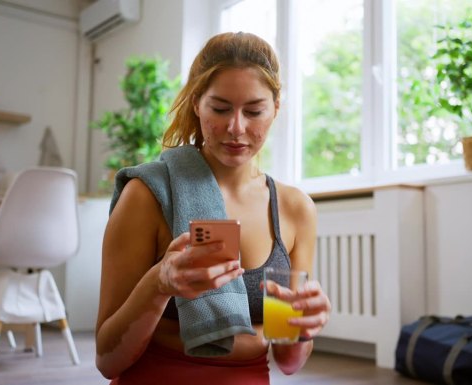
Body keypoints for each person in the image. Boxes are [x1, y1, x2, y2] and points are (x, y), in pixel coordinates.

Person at [95, 32, 332, 384]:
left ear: (276, 108)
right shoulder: (145, 195)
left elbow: (288, 361)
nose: (236, 128)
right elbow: (107, 360)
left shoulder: (295, 209)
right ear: (196, 103)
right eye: (220, 109)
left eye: (254, 111)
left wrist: (302, 326)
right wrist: (158, 284)